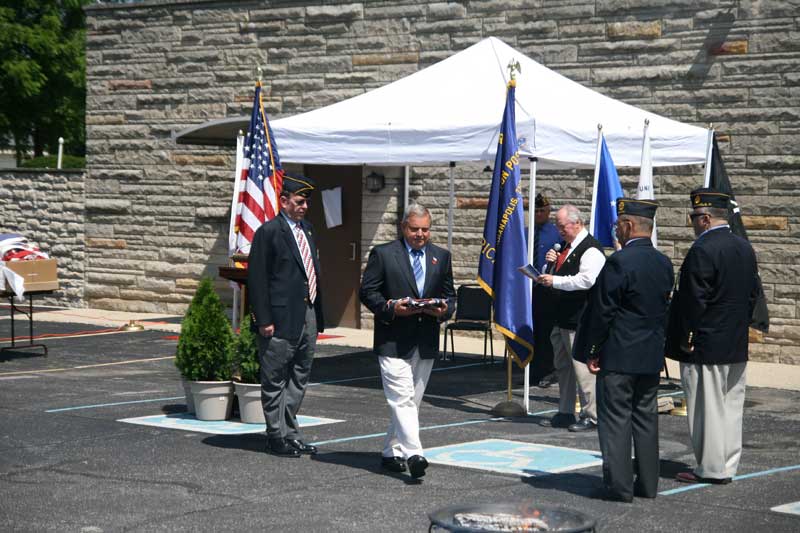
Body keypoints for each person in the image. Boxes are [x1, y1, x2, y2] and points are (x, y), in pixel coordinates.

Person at [573, 198, 674, 502]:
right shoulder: (663, 262)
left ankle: (619, 486)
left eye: (618, 224)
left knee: (615, 421)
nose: (615, 229)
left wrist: (593, 349)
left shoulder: (619, 262)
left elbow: (603, 311)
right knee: (645, 420)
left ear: (629, 226)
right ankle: (648, 484)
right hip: (649, 355)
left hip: (619, 355)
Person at [666, 188, 760, 485]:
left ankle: (710, 468)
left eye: (693, 217)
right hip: (734, 341)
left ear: (705, 218)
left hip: (705, 343)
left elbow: (693, 301)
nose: (692, 223)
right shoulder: (744, 247)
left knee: (707, 409)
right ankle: (727, 464)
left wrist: (685, 338)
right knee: (730, 407)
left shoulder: (703, 250)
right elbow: (753, 296)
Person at [359, 203, 456, 478]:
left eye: (425, 229)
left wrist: (443, 310)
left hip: (425, 340)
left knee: (411, 403)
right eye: (414, 229)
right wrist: (391, 308)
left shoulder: (441, 257)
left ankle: (391, 452)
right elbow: (368, 292)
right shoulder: (383, 254)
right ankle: (415, 454)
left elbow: (450, 296)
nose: (420, 234)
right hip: (392, 339)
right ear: (404, 227)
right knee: (401, 398)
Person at [247, 174, 325, 458]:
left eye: (306, 203)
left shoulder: (308, 230)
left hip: (307, 312)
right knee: (275, 378)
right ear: (284, 201)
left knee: (300, 375)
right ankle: (275, 435)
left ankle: (291, 433)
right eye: (299, 201)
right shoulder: (269, 232)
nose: (304, 207)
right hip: (279, 319)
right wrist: (263, 319)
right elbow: (257, 279)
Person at [535, 204, 605, 432]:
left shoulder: (591, 249)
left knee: (582, 369)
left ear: (577, 223)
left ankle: (592, 414)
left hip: (579, 319)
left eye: (562, 226)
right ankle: (565, 411)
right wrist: (549, 265)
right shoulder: (565, 246)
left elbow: (587, 280)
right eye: (557, 226)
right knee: (563, 367)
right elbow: (557, 274)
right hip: (560, 317)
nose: (559, 231)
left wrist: (555, 281)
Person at [530, 193, 561, 387]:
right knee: (531, 331)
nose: (539, 214)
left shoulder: (556, 234)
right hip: (528, 289)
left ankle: (548, 370)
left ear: (549, 212)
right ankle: (531, 369)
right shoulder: (525, 232)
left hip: (547, 289)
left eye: (542, 210)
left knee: (546, 332)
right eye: (536, 211)